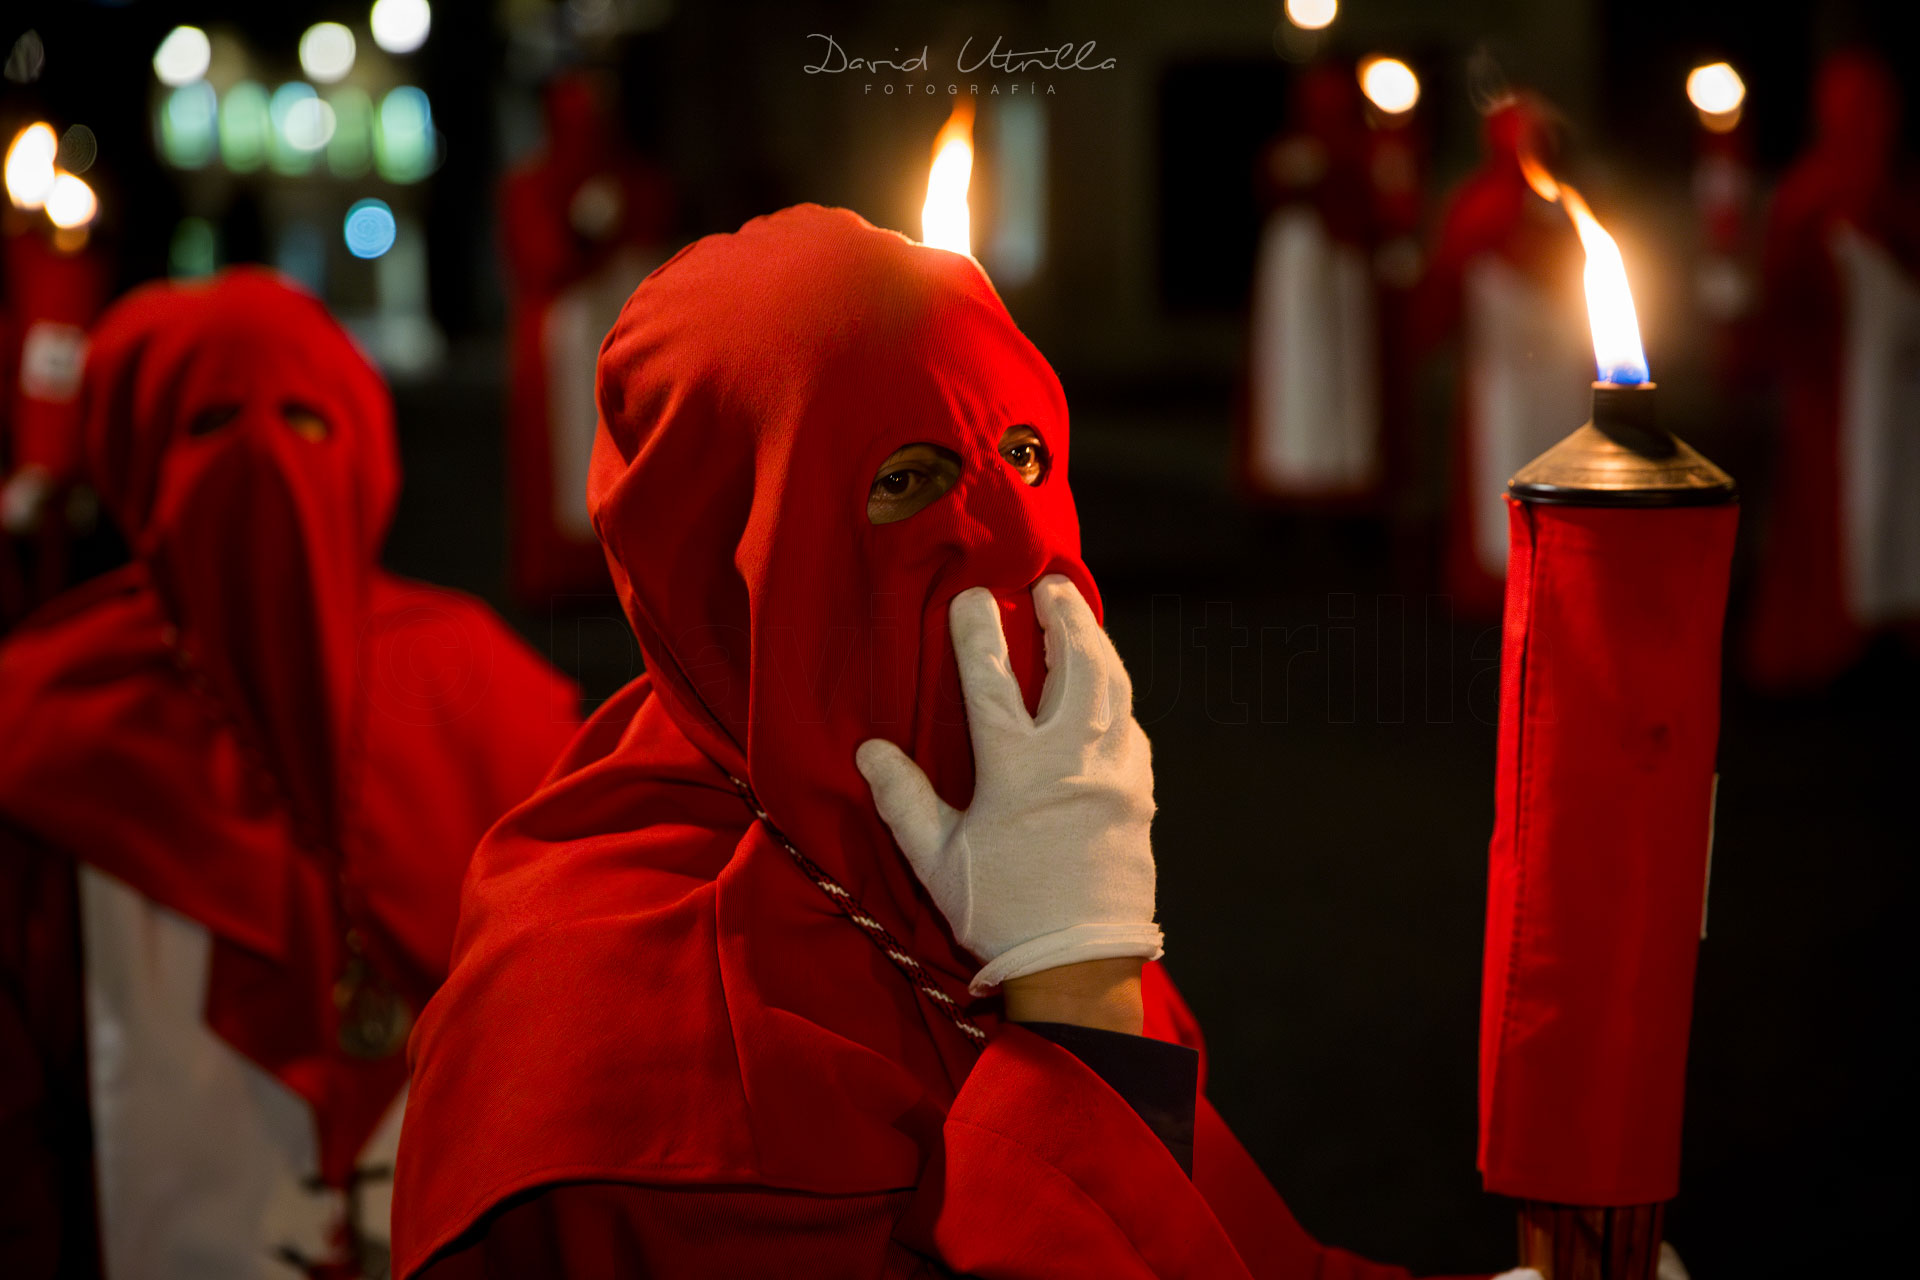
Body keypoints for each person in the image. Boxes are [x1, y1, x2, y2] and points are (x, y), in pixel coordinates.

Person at [391, 204, 1524, 1278]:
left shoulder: (1032, 833)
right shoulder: (609, 1041)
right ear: (724, 556)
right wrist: (1075, 996)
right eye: (902, 480)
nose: (1014, 535)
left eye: (1026, 456)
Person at [0, 270, 581, 1278]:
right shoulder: (46, 733)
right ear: (135, 458)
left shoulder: (486, 695)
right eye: (213, 421)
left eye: (305, 419)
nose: (265, 459)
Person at [1744, 48, 1920, 692]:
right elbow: (1785, 297)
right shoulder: (1811, 195)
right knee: (1834, 509)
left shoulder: (1897, 192)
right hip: (1834, 396)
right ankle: (1833, 637)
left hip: (1898, 388)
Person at [1416, 95, 1590, 619]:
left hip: (1528, 366)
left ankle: (1508, 574)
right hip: (1520, 365)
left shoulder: (1479, 205)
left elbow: (1444, 283)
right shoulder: (1572, 206)